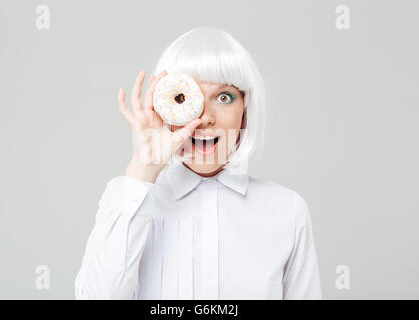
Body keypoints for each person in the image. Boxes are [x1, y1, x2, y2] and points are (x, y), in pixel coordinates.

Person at [74, 27, 322, 300]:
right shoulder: (127, 199)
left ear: (245, 112)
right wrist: (144, 168)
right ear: (163, 108)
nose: (204, 117)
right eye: (184, 97)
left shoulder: (287, 210)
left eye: (224, 97)